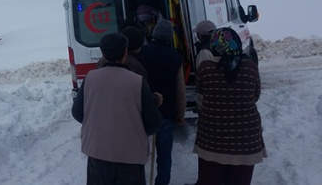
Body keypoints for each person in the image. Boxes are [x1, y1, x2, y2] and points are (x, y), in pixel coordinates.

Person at [72, 32, 163, 185]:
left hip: (97, 155)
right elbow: (153, 123)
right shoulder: (137, 82)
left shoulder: (90, 78)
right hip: (130, 158)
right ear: (125, 52)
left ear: (102, 53)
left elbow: (77, 112)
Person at [193, 28, 266, 185]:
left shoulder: (205, 67)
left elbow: (200, 91)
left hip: (212, 138)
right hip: (246, 141)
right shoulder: (250, 68)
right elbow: (255, 96)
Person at [138, 19, 186, 185]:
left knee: (141, 152)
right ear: (169, 38)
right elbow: (180, 91)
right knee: (164, 155)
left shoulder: (142, 53)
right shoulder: (175, 58)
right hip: (165, 113)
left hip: (144, 111)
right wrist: (180, 114)